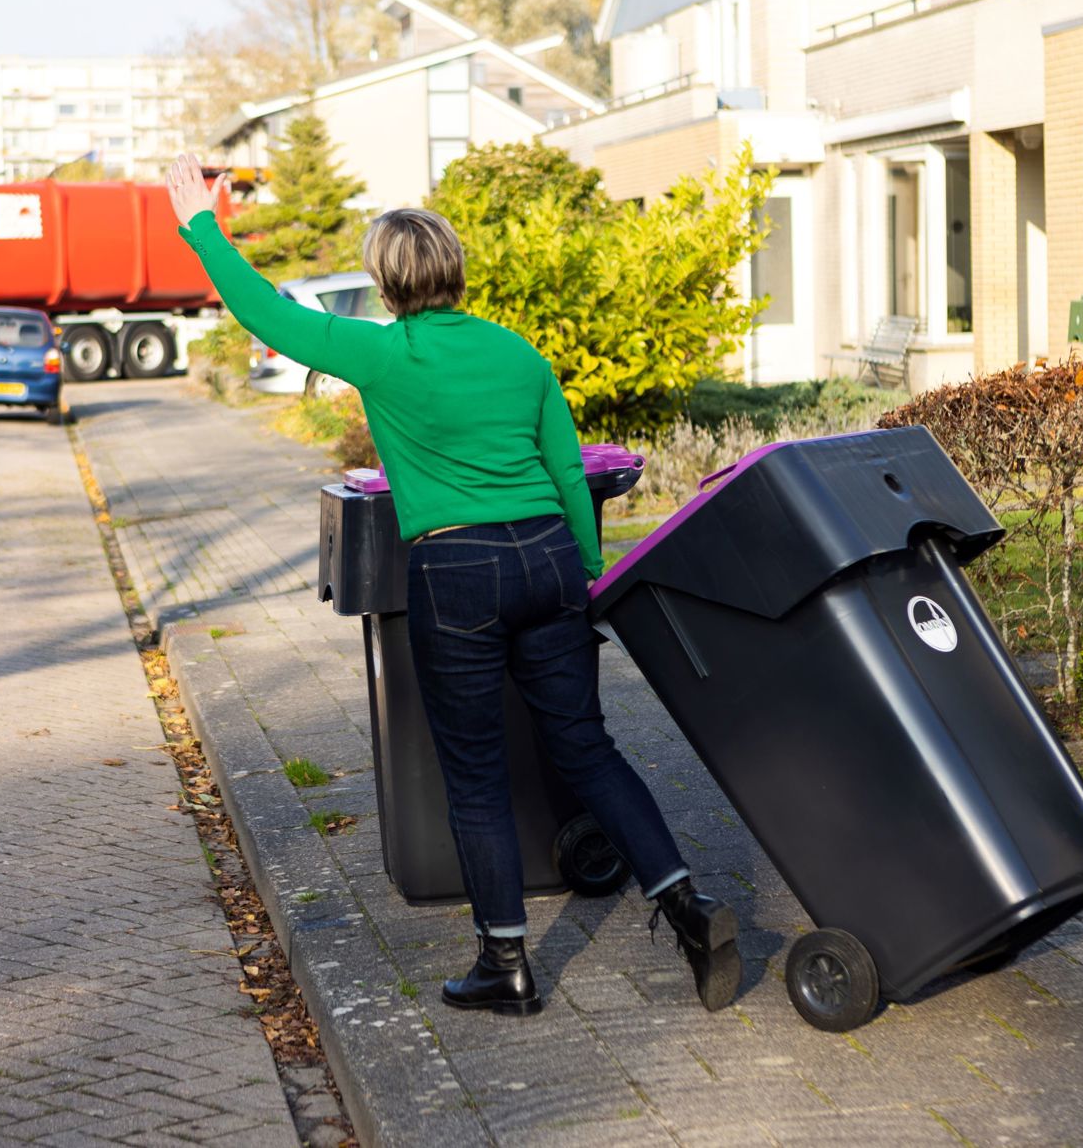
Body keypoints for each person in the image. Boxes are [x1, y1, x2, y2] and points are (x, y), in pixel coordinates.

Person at [164, 154, 739, 1016]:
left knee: (474, 773)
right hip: (546, 553)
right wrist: (584, 574)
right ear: (454, 271)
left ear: (386, 283)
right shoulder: (517, 352)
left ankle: (506, 966)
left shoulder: (383, 353)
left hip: (458, 568)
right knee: (587, 748)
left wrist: (200, 225)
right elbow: (563, 468)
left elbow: (263, 315)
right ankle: (688, 906)